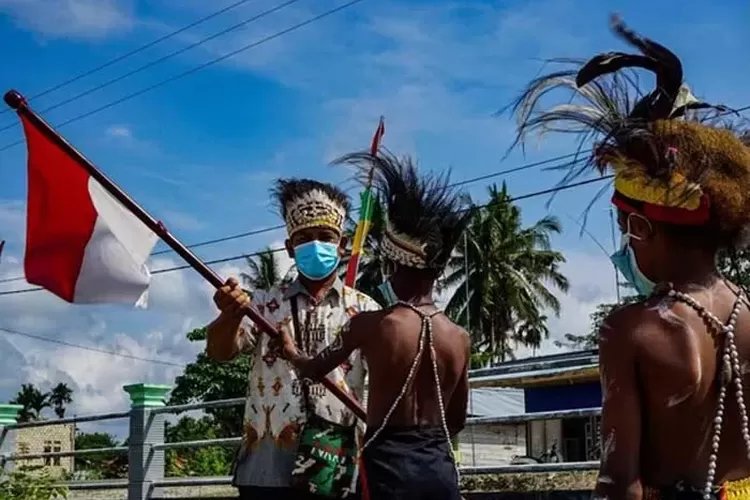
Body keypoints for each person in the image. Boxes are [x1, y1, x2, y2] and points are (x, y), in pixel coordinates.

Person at [510, 15, 750, 500]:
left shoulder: (631, 330)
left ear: (642, 227)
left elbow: (619, 483)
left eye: (626, 230)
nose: (626, 246)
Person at [273, 151, 472, 500]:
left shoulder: (369, 325)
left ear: (392, 265)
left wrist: (290, 351)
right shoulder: (459, 337)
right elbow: (456, 419)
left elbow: (312, 370)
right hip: (439, 468)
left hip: (387, 466)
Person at [206, 178, 380, 500]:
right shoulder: (261, 304)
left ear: (342, 244)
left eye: (325, 237)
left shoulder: (366, 309)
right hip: (268, 464)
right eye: (304, 238)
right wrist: (229, 316)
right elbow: (220, 352)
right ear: (289, 248)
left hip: (335, 463)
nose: (315, 245)